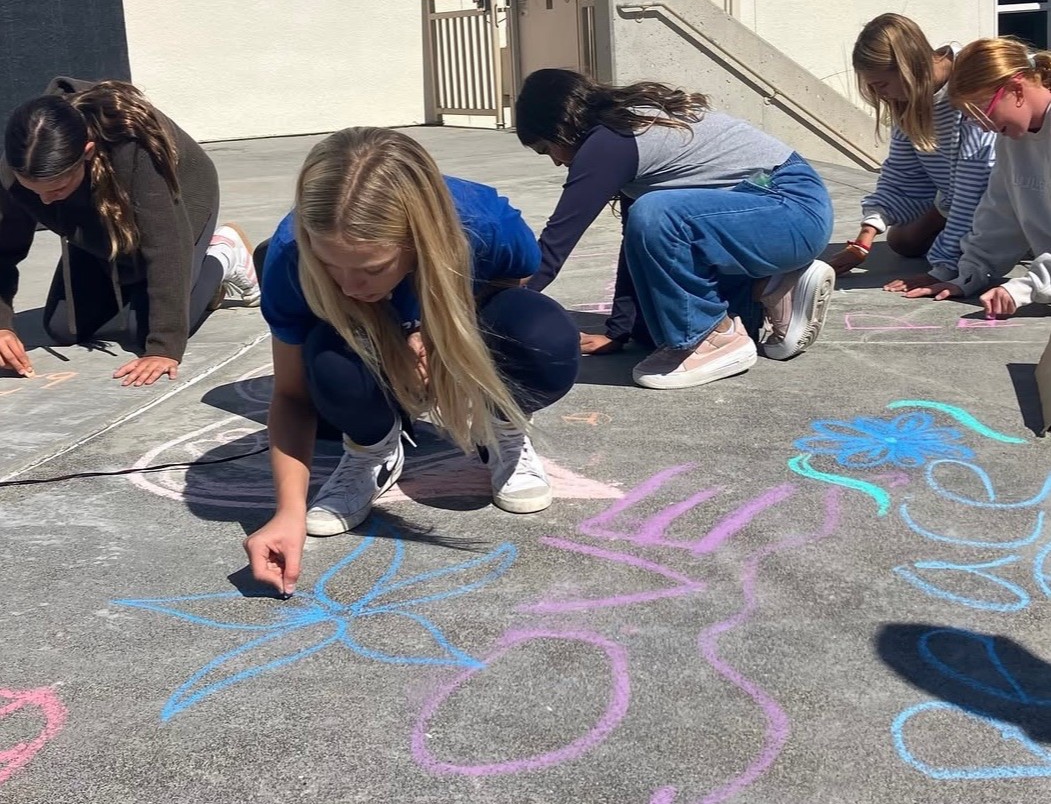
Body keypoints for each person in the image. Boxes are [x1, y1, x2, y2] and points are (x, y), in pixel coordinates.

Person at [244, 127, 579, 596]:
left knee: (541, 334)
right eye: (330, 264)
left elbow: (513, 288)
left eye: (371, 268)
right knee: (330, 362)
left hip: (450, 312)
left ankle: (500, 425)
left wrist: (439, 337)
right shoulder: (289, 254)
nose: (347, 286)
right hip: (361, 348)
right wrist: (287, 513)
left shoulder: (481, 223)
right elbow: (293, 396)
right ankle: (373, 449)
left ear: (417, 241)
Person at [515, 68, 836, 390]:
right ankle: (770, 286)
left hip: (791, 209)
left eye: (546, 148)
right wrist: (618, 332)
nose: (556, 162)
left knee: (655, 214)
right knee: (652, 331)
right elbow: (635, 246)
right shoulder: (623, 131)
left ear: (563, 125)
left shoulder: (610, 143)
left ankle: (715, 338)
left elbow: (553, 250)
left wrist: (488, 311)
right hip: (770, 218)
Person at [0, 77, 258, 386]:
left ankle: (222, 254)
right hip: (97, 215)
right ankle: (137, 274)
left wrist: (164, 348)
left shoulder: (132, 144)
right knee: (63, 328)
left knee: (144, 330)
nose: (44, 201)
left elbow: (164, 245)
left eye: (57, 188)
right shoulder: (18, 167)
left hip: (180, 199)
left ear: (88, 152)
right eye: (34, 191)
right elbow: (3, 250)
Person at [829, 13, 996, 290]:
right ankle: (948, 219)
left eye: (881, 85)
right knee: (901, 241)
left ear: (907, 67)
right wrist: (866, 235)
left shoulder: (970, 86)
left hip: (1004, 201)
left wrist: (943, 269)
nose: (880, 95)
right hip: (958, 198)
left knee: (928, 240)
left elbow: (974, 188)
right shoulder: (910, 99)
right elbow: (901, 175)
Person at [899, 37, 1051, 318]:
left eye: (984, 111)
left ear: (1016, 89)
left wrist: (1024, 289)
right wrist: (969, 274)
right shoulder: (1011, 142)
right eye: (972, 117)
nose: (983, 126)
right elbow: (1000, 213)